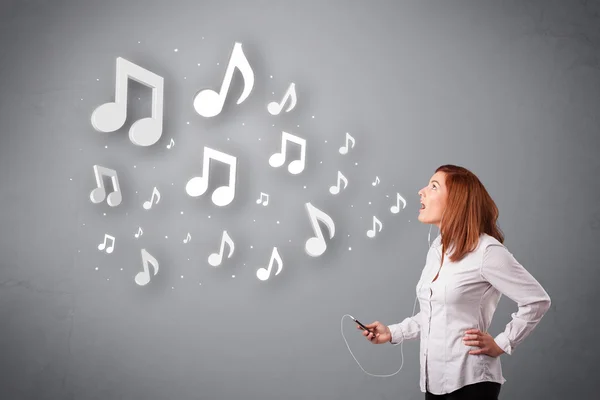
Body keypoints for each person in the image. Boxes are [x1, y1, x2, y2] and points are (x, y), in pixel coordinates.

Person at [360, 165, 551, 399]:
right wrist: (392, 332)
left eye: (433, 186)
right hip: (434, 383)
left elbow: (537, 301)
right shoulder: (437, 250)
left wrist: (502, 343)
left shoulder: (487, 251)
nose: (421, 191)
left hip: (471, 383)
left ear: (456, 201)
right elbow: (435, 315)